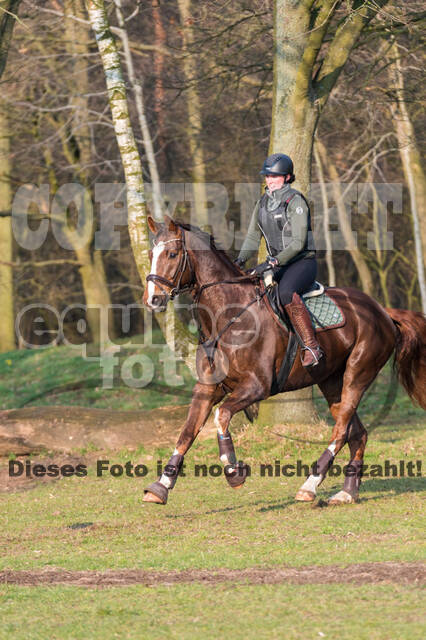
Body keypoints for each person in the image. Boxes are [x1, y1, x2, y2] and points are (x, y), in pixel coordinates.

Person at [235, 153, 323, 367]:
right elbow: (252, 237)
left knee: (285, 293)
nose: (270, 180)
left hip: (302, 262)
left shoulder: (295, 201)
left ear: (287, 177)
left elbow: (299, 241)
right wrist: (238, 262)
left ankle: (312, 346)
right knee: (251, 290)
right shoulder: (262, 203)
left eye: (275, 176)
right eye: (267, 176)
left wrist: (273, 262)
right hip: (277, 264)